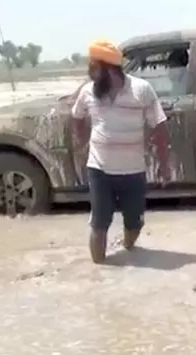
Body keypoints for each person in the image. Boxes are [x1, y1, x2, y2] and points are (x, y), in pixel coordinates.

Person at [71, 40, 170, 263]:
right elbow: (77, 116)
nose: (91, 75)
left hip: (133, 171)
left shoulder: (141, 90)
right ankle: (98, 272)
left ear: (109, 68)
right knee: (99, 223)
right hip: (99, 170)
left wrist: (164, 165)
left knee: (135, 223)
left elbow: (160, 126)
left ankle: (128, 245)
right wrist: (81, 143)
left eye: (94, 69)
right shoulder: (88, 92)